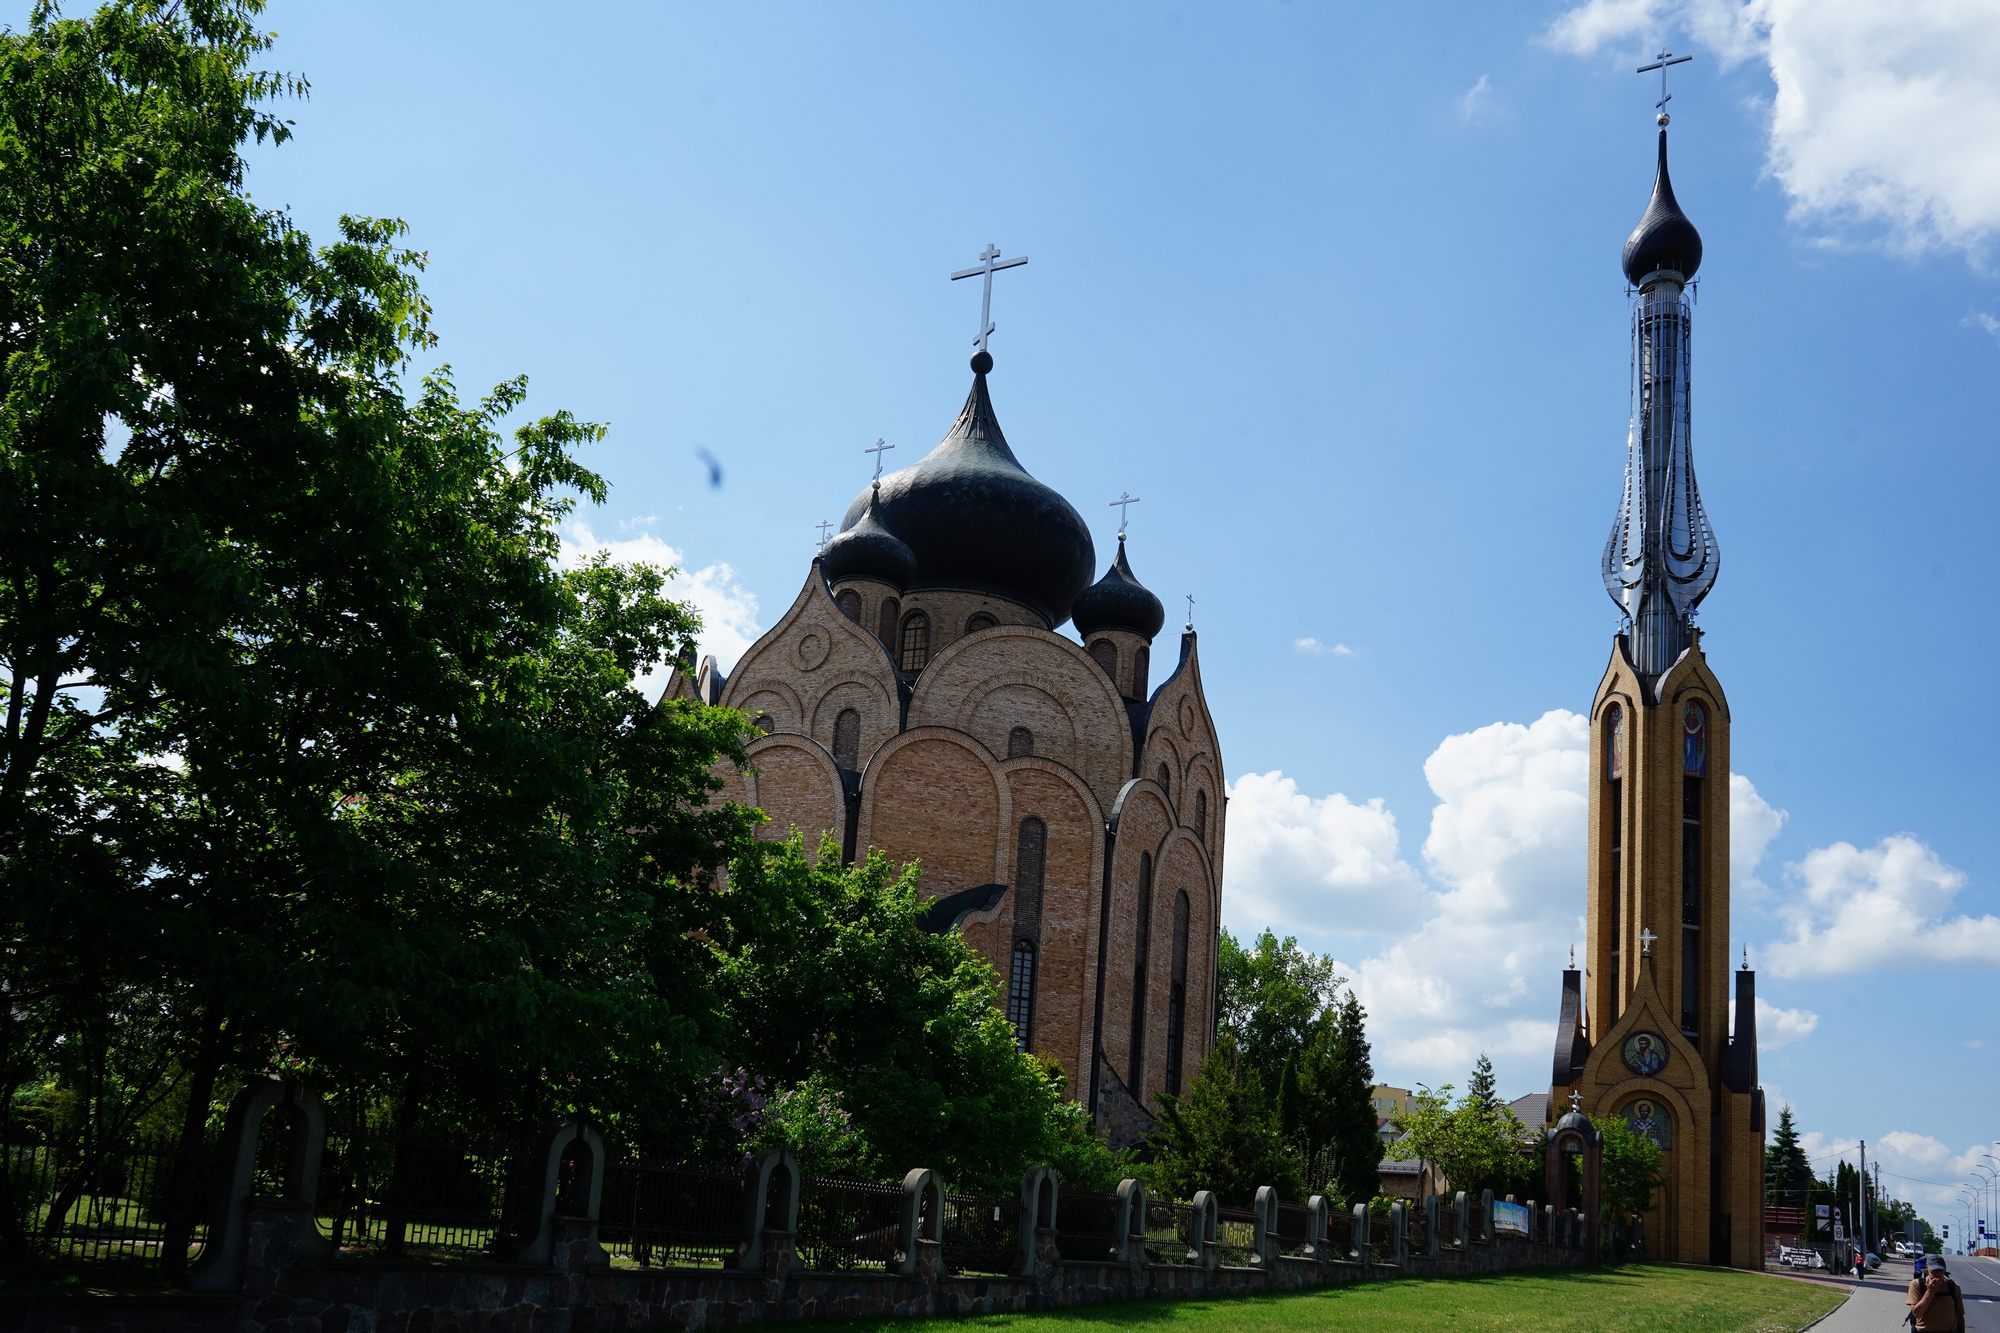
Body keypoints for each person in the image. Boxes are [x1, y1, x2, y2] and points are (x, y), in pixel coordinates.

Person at [1907, 1254, 1966, 1332]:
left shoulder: (1953, 1287)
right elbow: (1916, 1313)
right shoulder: (1917, 1285)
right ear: (1927, 1268)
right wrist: (1930, 1292)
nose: (1938, 1273)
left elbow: (1960, 1315)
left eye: (1940, 1270)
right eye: (1934, 1270)